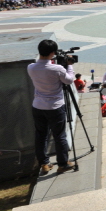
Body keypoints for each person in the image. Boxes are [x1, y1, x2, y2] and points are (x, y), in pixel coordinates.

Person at [28, 39, 76, 174]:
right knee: (59, 135)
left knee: (41, 135)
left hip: (38, 106)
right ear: (52, 53)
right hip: (55, 107)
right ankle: (63, 163)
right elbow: (69, 80)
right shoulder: (57, 68)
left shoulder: (30, 67)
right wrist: (70, 65)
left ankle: (44, 163)